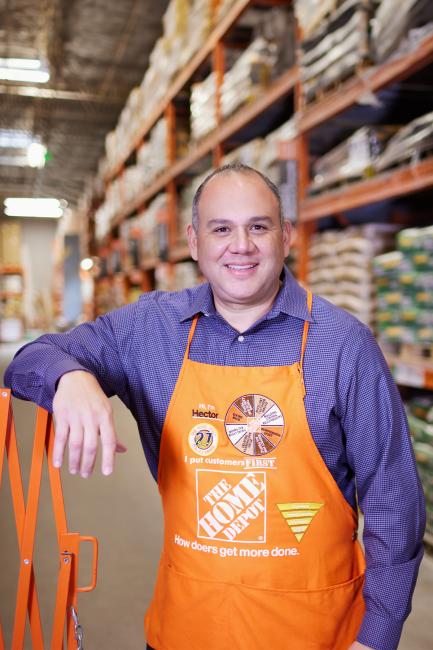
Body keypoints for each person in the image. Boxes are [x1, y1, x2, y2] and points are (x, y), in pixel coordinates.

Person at [4, 164, 425, 650]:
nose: (240, 245)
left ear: (286, 236)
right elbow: (28, 360)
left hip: (316, 632)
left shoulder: (342, 345)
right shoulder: (154, 329)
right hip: (187, 628)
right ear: (194, 241)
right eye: (221, 228)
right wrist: (71, 377)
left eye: (258, 227)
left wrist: (376, 637)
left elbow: (394, 501)